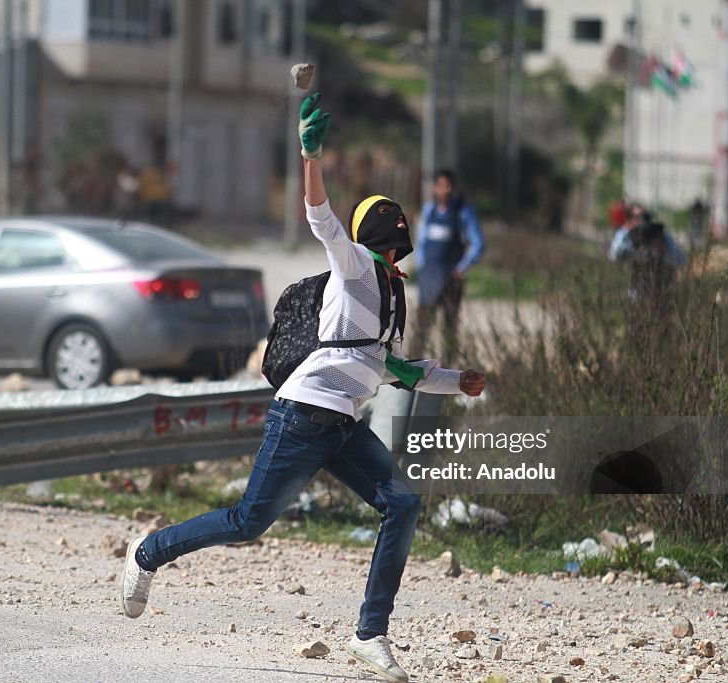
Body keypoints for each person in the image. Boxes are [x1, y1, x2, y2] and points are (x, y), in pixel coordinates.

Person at [121, 94, 486, 683]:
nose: (395, 253)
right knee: (248, 522)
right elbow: (320, 217)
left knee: (403, 502)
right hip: (301, 415)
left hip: (342, 427)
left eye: (398, 245)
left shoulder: (393, 298)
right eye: (389, 243)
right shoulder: (353, 268)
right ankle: (148, 553)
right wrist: (309, 155)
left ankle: (370, 635)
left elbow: (399, 369)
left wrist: (457, 381)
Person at [409, 170, 484, 361]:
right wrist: (421, 266)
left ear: (454, 188)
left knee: (449, 326)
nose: (445, 190)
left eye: (448, 186)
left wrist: (461, 268)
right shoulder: (429, 211)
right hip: (430, 276)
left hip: (451, 277)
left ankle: (447, 368)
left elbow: (477, 244)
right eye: (441, 186)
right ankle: (413, 365)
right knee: (422, 324)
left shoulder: (463, 212)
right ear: (435, 188)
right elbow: (422, 242)